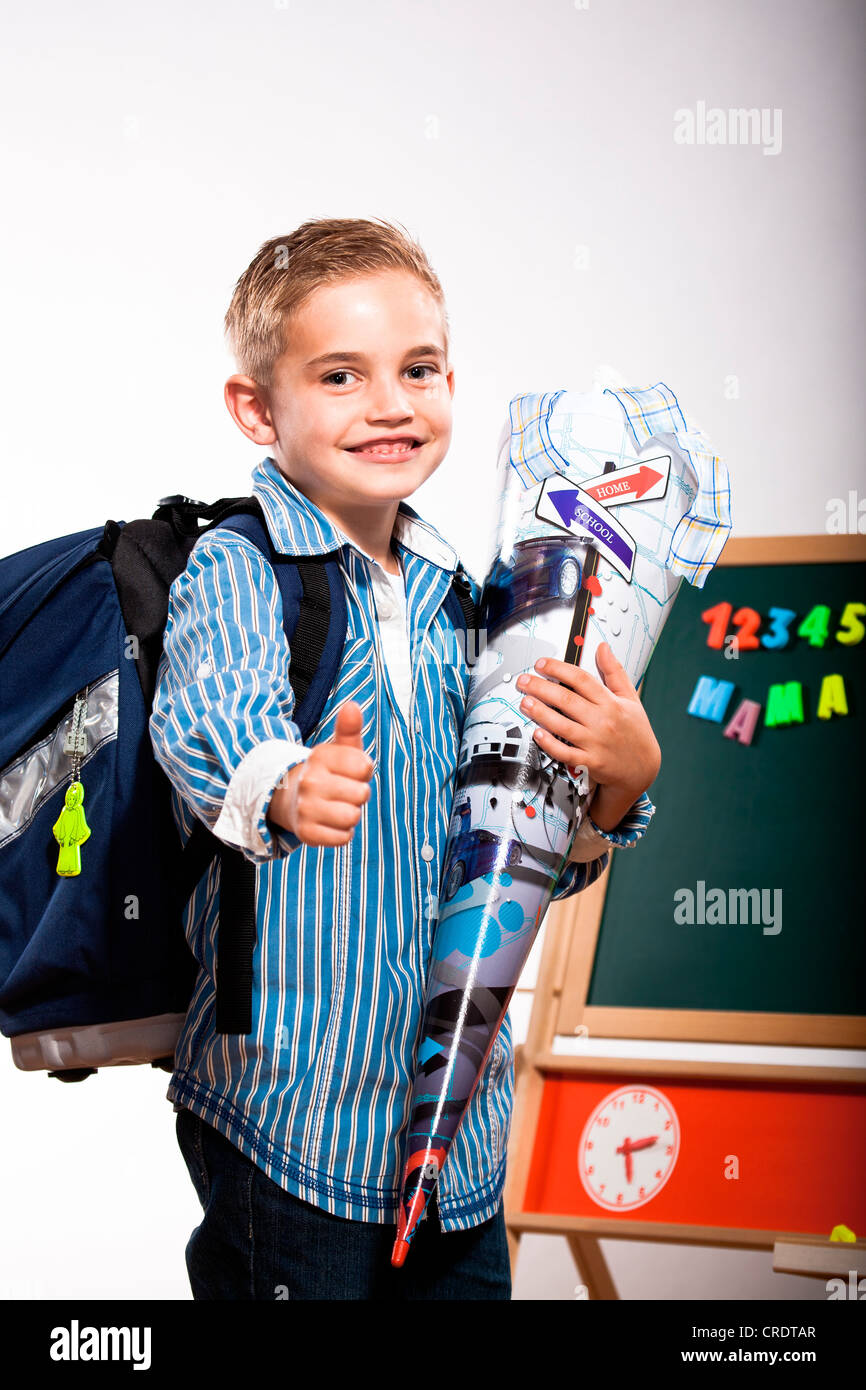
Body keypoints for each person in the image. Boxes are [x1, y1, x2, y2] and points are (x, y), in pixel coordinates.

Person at [149, 217, 660, 1300]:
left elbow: (522, 848)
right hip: (288, 1120)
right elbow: (207, 719)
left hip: (457, 1137)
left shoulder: (475, 597)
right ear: (257, 407)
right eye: (340, 375)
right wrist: (281, 782)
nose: (389, 403)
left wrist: (616, 775)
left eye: (416, 369)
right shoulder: (240, 569)